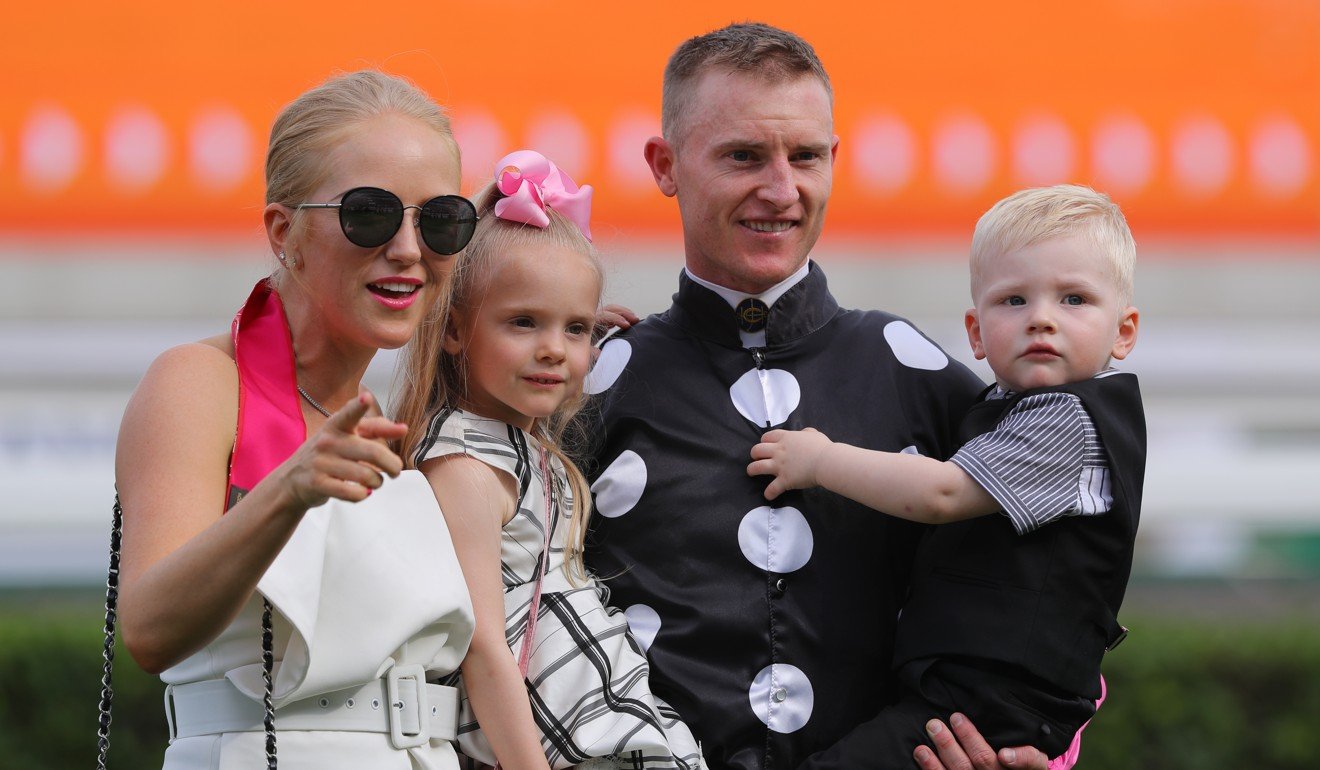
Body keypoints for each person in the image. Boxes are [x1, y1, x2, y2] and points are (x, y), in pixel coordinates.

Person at [582, 22, 1059, 770]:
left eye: (805, 156)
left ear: (834, 160)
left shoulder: (917, 371)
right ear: (665, 165)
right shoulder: (595, 380)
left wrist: (1039, 744)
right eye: (743, 156)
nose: (782, 189)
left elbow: (1057, 573)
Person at [113, 70, 479, 768]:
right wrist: (288, 488)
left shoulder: (407, 412)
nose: (408, 248)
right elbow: (149, 629)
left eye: (440, 221)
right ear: (286, 232)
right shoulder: (201, 383)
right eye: (369, 214)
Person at [748, 184, 1144, 766]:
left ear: (1125, 331)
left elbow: (940, 493)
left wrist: (821, 460)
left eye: (1075, 299)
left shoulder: (1072, 420)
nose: (1041, 319)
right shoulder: (1002, 408)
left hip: (992, 704)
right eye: (1013, 300)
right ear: (976, 332)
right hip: (969, 692)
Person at [396, 150, 703, 770]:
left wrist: (580, 335)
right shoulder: (463, 464)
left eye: (576, 329)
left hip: (607, 727)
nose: (553, 350)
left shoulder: (524, 449)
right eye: (523, 322)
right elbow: (483, 644)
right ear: (453, 330)